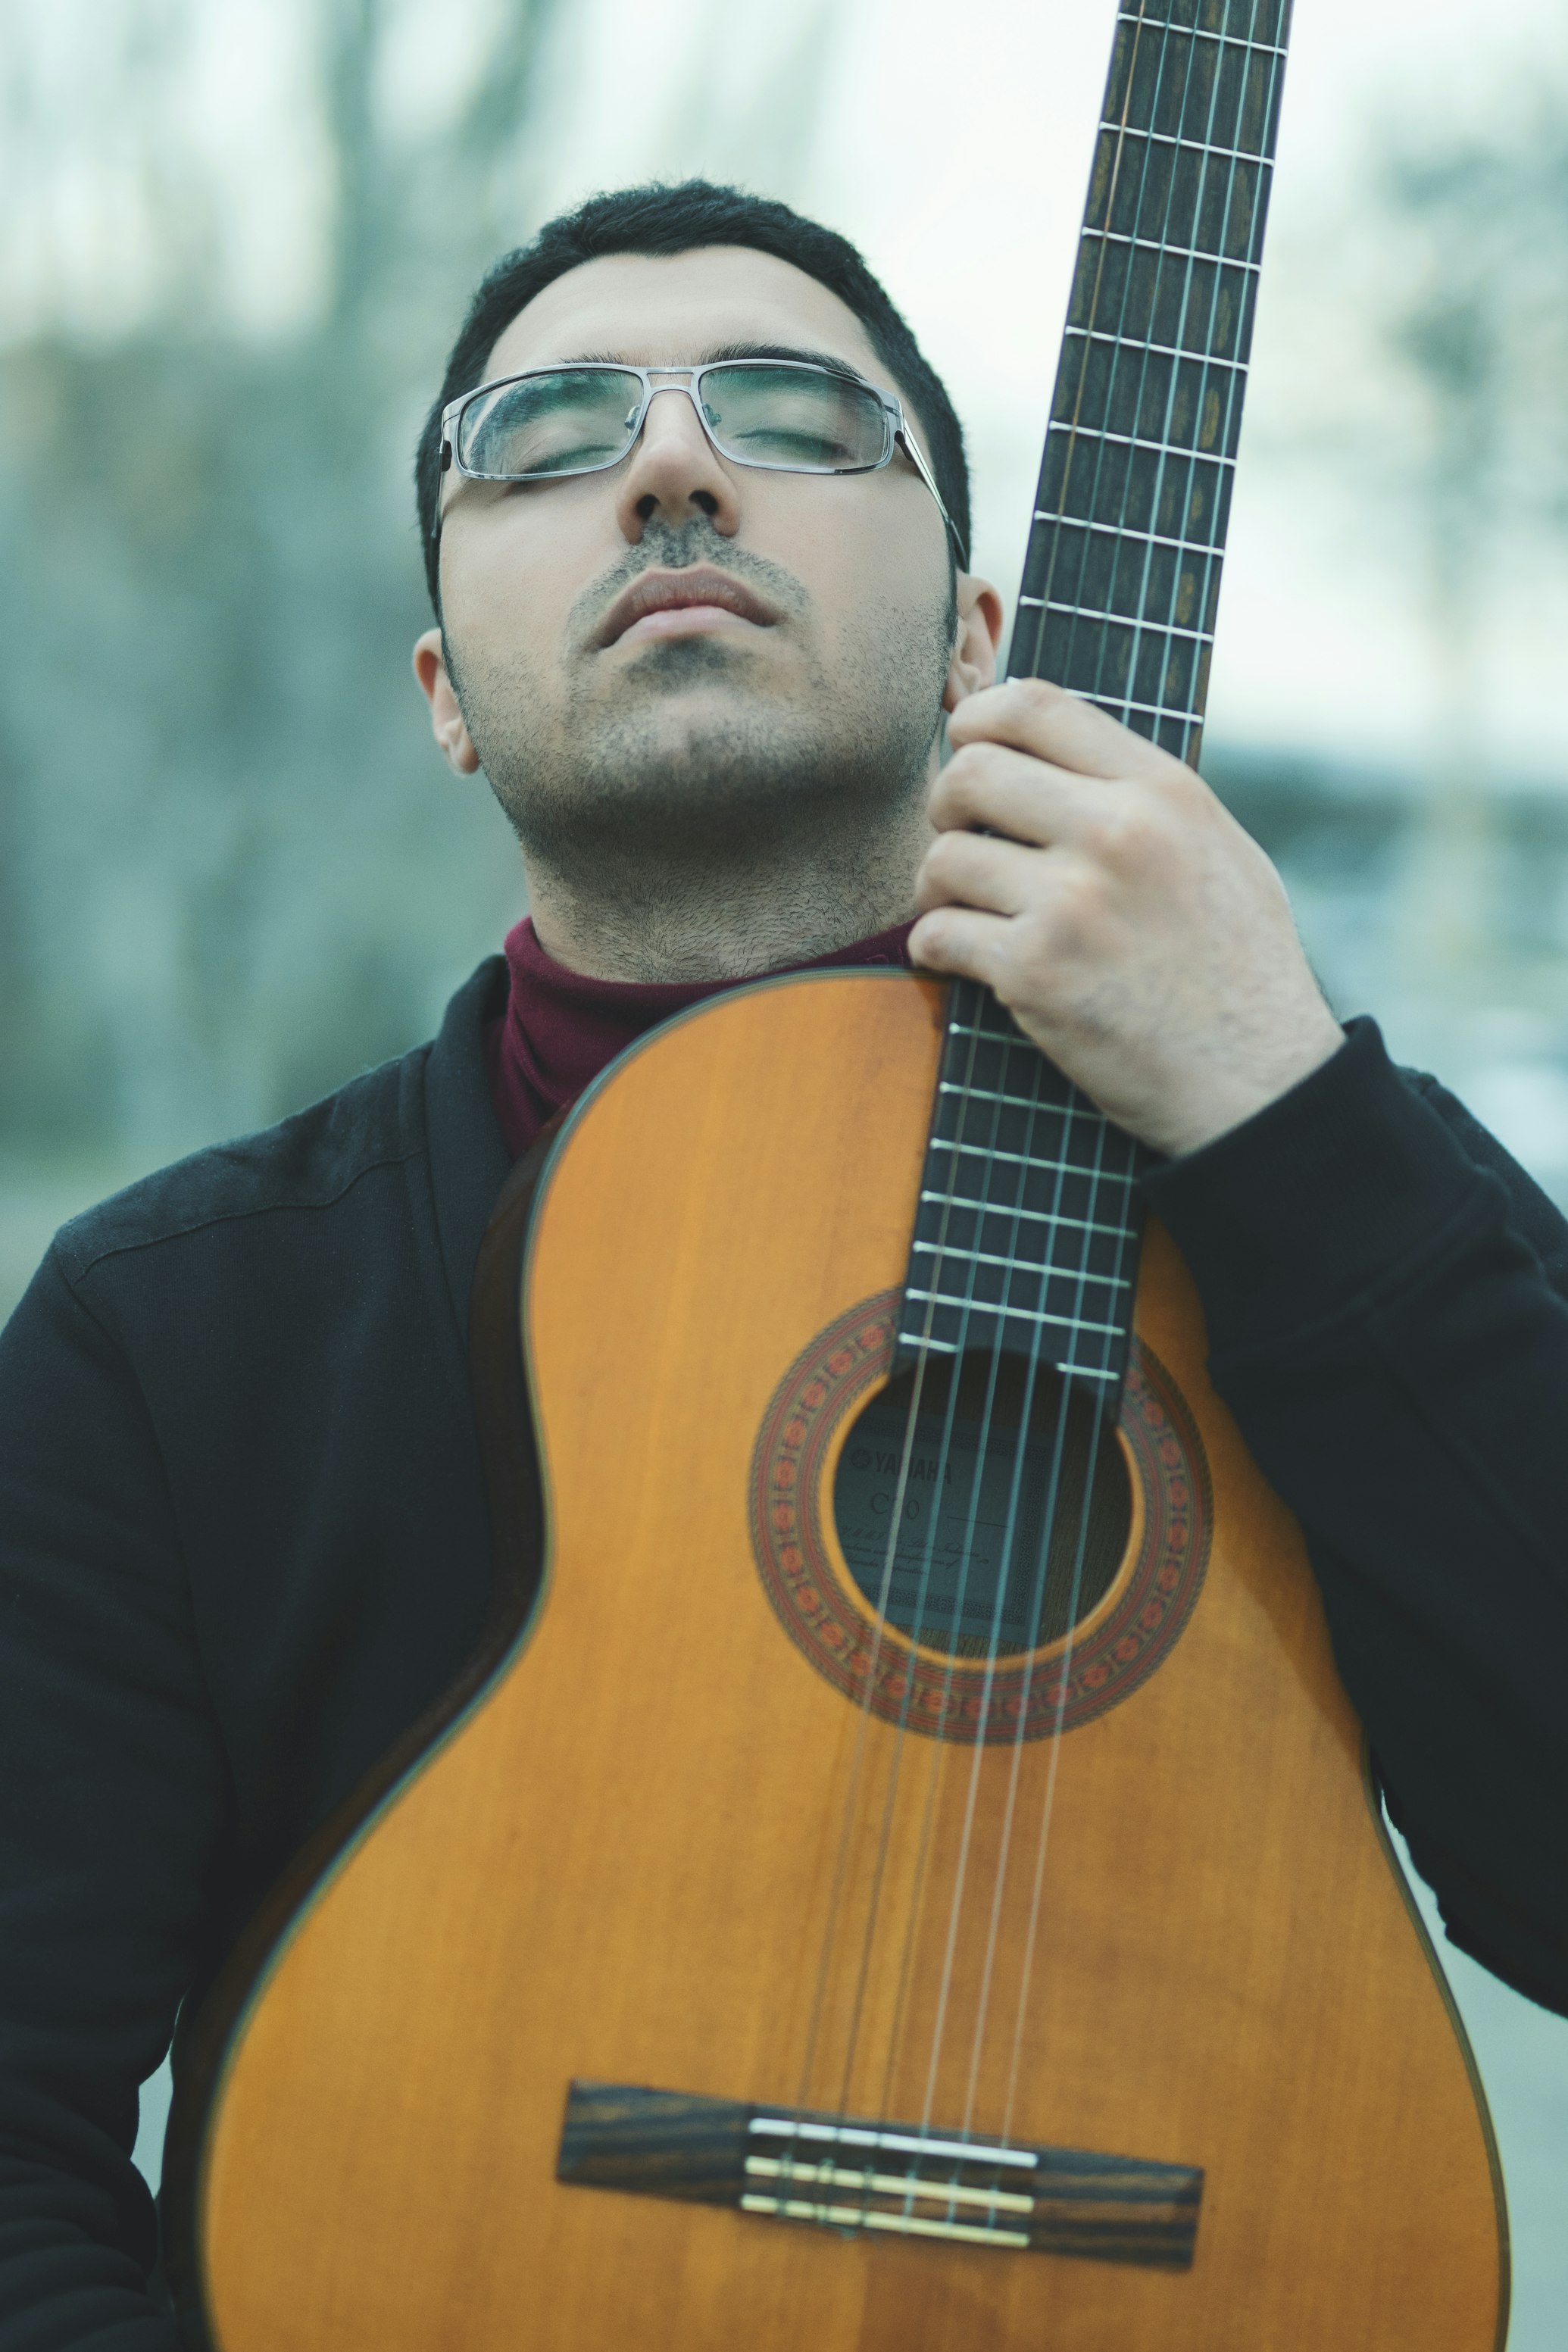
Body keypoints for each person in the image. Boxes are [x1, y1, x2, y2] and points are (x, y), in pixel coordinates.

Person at [1, 180, 1564, 2349]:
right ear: (448, 696)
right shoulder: (174, 1330)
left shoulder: (1317, 1181)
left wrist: (1282, 1108)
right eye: (546, 436)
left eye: (796, 413)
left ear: (976, 639)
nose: (672, 464)